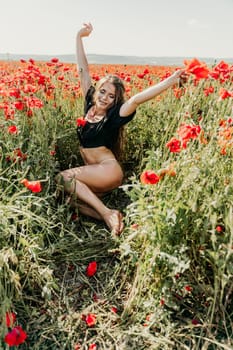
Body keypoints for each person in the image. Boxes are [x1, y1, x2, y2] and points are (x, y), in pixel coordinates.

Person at [56, 22, 185, 236]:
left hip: (108, 171)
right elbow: (83, 69)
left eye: (111, 96)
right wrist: (79, 36)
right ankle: (108, 214)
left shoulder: (114, 116)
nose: (105, 98)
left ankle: (107, 213)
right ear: (96, 91)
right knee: (65, 197)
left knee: (63, 178)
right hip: (94, 175)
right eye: (103, 92)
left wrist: (171, 80)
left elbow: (137, 99)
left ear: (116, 100)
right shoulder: (89, 104)